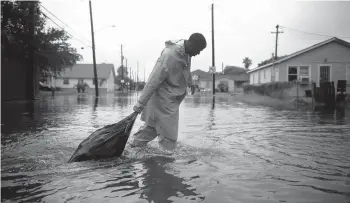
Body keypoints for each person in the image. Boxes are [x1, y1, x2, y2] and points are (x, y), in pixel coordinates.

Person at [131, 33, 207, 150]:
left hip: (169, 98)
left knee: (152, 128)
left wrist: (189, 82)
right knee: (169, 138)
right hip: (163, 100)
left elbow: (186, 67)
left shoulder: (186, 52)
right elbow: (153, 79)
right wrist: (140, 104)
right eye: (198, 50)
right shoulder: (169, 55)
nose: (198, 54)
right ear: (191, 43)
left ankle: (132, 147)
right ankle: (165, 161)